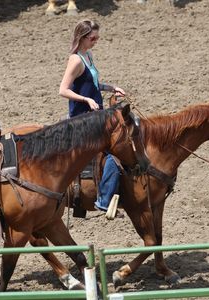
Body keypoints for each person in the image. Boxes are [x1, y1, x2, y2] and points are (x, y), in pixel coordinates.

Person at [59, 19, 126, 212]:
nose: (96, 41)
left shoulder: (88, 55)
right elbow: (63, 90)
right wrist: (86, 100)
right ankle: (104, 200)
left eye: (97, 38)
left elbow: (92, 84)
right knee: (115, 154)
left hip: (95, 116)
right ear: (82, 37)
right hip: (82, 120)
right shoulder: (75, 60)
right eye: (93, 38)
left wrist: (111, 87)